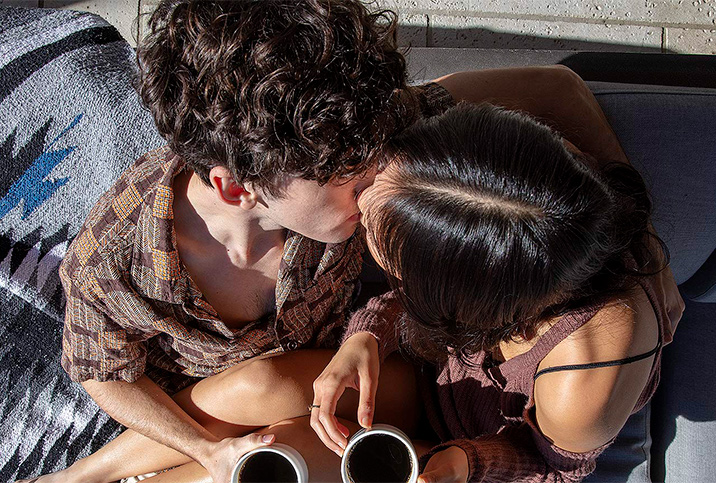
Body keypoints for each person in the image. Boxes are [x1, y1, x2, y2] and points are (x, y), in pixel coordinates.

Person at [18, 0, 644, 481]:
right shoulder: (112, 260)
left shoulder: (356, 139)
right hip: (311, 374)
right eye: (352, 178)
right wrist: (203, 446)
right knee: (249, 402)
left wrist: (622, 247)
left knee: (252, 458)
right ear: (237, 190)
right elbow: (102, 371)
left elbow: (556, 88)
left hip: (405, 394)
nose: (384, 187)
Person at [310, 102, 685, 482]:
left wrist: (469, 462)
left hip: (478, 441)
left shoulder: (586, 373)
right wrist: (367, 333)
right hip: (428, 368)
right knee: (254, 391)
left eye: (377, 233)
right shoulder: (525, 172)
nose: (360, 196)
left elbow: (555, 470)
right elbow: (562, 86)